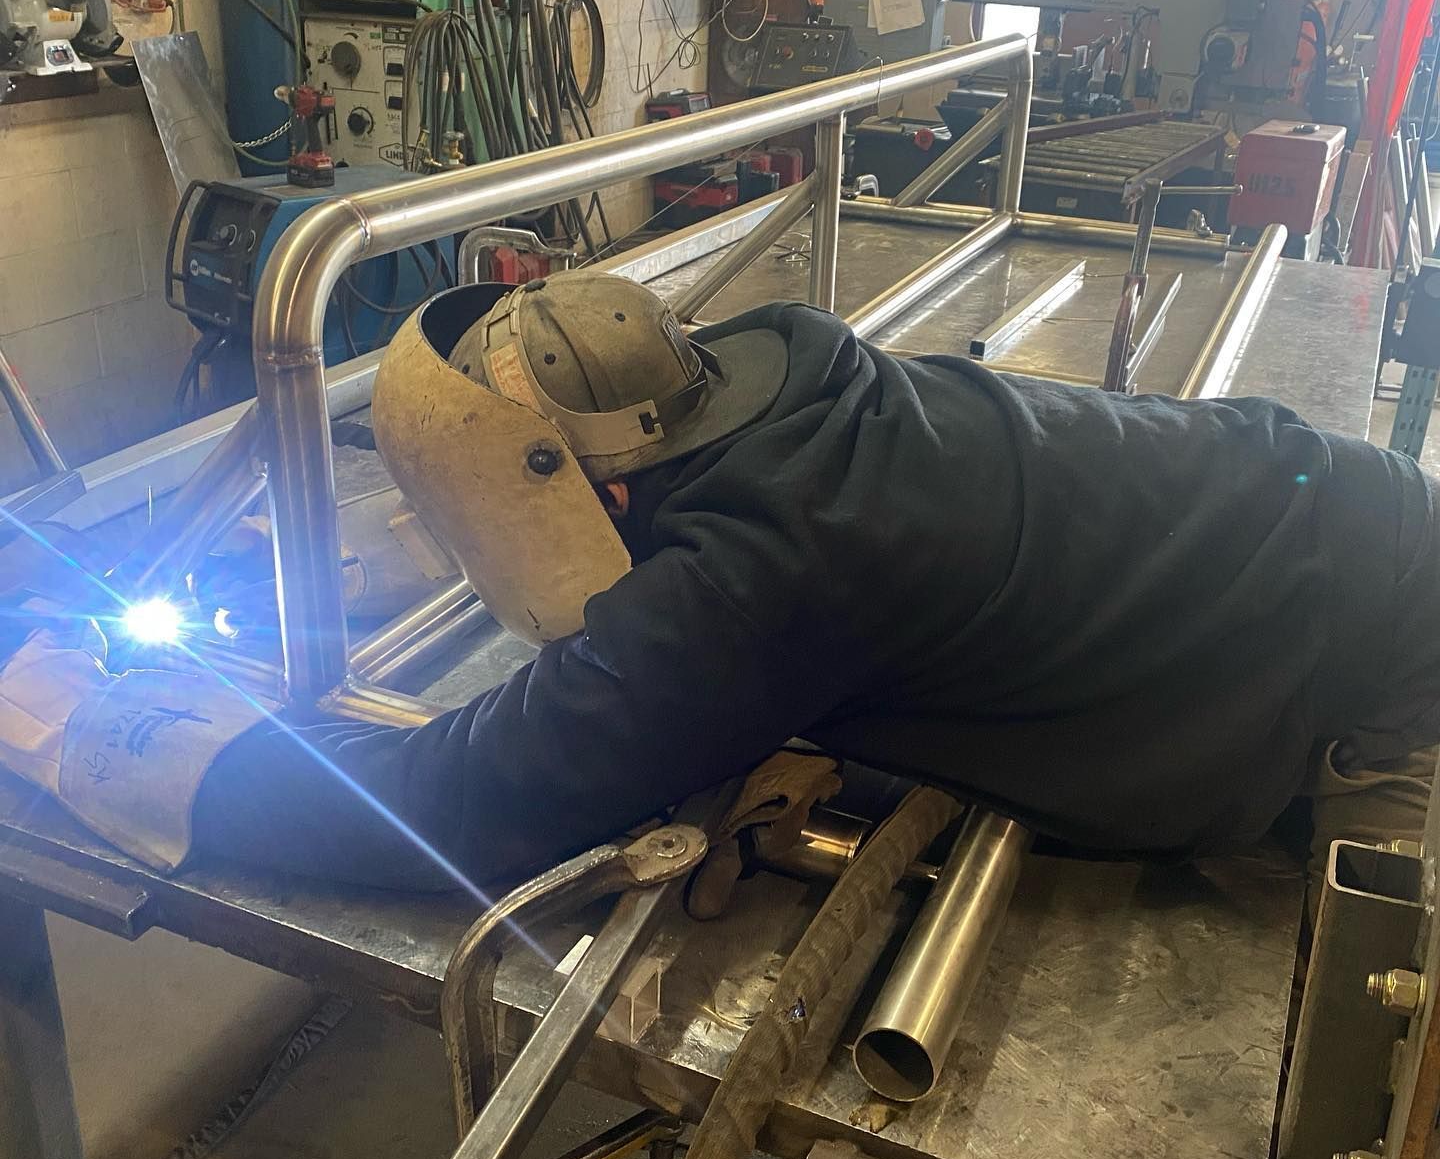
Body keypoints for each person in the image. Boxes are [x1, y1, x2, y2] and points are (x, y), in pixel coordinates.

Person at [1, 272, 1433, 896]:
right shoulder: (808, 368)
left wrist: (111, 734)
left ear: (579, 488)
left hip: (1387, 676)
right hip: (1345, 510)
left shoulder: (765, 571)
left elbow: (454, 811)